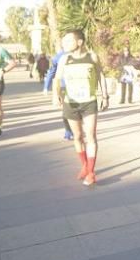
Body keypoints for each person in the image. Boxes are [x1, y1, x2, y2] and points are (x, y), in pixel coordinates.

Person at [53, 30, 108, 186]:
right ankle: (84, 165)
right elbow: (57, 79)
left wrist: (105, 96)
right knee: (77, 136)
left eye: (68, 41)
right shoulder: (65, 59)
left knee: (90, 135)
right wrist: (56, 94)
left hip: (89, 102)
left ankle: (91, 172)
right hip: (71, 103)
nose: (64, 44)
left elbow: (101, 76)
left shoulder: (92, 57)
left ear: (79, 42)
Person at [44, 48, 74, 141]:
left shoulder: (80, 54)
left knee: (71, 110)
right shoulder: (59, 56)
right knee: (68, 110)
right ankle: (69, 132)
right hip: (65, 86)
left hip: (72, 86)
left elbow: (51, 71)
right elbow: (52, 71)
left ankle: (72, 131)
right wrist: (46, 86)